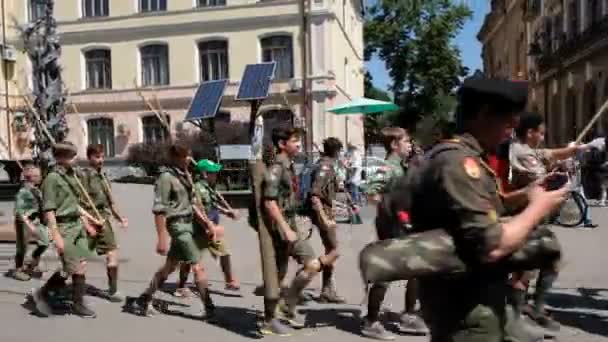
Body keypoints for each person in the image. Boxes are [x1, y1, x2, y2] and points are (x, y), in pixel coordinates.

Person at [409, 77, 569, 342]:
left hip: (478, 298)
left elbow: (488, 208)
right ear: (483, 114)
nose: (510, 133)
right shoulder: (457, 163)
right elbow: (492, 245)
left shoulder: (469, 158)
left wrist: (529, 194)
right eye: (509, 123)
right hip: (465, 308)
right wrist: (538, 208)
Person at [508, 112, 602, 333]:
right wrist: (566, 172)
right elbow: (544, 181)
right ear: (529, 132)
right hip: (525, 218)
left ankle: (532, 310)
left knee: (547, 261)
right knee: (527, 269)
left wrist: (580, 149)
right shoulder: (520, 152)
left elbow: (550, 153)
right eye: (540, 132)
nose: (543, 136)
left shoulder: (528, 149)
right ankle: (516, 318)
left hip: (535, 219)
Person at [257, 127, 339, 336]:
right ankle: (272, 316)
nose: (299, 145)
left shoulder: (289, 165)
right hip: (281, 227)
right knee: (280, 272)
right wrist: (286, 229)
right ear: (282, 144)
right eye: (294, 141)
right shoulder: (277, 167)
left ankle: (285, 307)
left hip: (291, 223)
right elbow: (269, 202)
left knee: (299, 267)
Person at [130, 144, 220, 319]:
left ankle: (144, 298)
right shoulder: (166, 178)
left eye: (189, 155)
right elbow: (159, 209)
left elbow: (193, 205)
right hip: (177, 226)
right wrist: (161, 238)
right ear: (175, 158)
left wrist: (208, 223)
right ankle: (210, 309)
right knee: (198, 266)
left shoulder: (187, 176)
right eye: (185, 156)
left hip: (189, 224)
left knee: (169, 267)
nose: (188, 159)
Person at [360, 126, 428, 340]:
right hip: (391, 228)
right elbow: (371, 194)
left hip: (404, 228)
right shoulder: (386, 168)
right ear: (394, 144)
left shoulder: (400, 166)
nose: (410, 145)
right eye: (406, 141)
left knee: (416, 269)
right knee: (384, 275)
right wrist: (390, 210)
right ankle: (371, 321)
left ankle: (409, 315)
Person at [31, 142, 100, 318]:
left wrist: (88, 222)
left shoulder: (71, 175)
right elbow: (49, 210)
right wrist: (56, 236)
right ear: (60, 158)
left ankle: (56, 295)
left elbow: (74, 204)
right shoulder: (52, 179)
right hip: (63, 227)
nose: (76, 158)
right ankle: (62, 299)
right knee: (74, 267)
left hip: (76, 225)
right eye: (72, 156)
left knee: (80, 265)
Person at [175, 158, 240, 297]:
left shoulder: (210, 187)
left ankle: (229, 281)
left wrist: (227, 212)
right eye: (213, 172)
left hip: (212, 229)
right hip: (198, 230)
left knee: (224, 253)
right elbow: (196, 209)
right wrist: (207, 225)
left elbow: (214, 205)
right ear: (204, 173)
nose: (216, 175)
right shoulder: (197, 188)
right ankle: (181, 286)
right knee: (189, 260)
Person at [81, 144, 128, 302]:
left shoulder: (103, 176)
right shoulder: (84, 176)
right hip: (89, 219)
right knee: (77, 259)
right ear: (89, 158)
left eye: (102, 156)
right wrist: (87, 224)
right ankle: (55, 287)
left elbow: (110, 201)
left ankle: (112, 290)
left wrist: (119, 216)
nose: (101, 160)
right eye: (97, 157)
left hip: (103, 218)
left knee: (112, 253)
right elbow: (78, 204)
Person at [307, 137, 344, 303]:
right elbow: (315, 194)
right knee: (334, 251)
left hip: (326, 211)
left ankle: (327, 290)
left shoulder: (324, 164)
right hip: (323, 213)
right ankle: (303, 276)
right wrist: (324, 218)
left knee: (331, 250)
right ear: (336, 151)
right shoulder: (326, 166)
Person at [12, 164, 50, 281]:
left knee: (45, 242)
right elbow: (19, 211)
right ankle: (18, 269)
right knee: (22, 247)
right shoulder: (23, 192)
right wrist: (30, 225)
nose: (40, 177)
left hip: (36, 220)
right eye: (37, 176)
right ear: (31, 177)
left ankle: (32, 261)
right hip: (25, 221)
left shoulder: (36, 189)